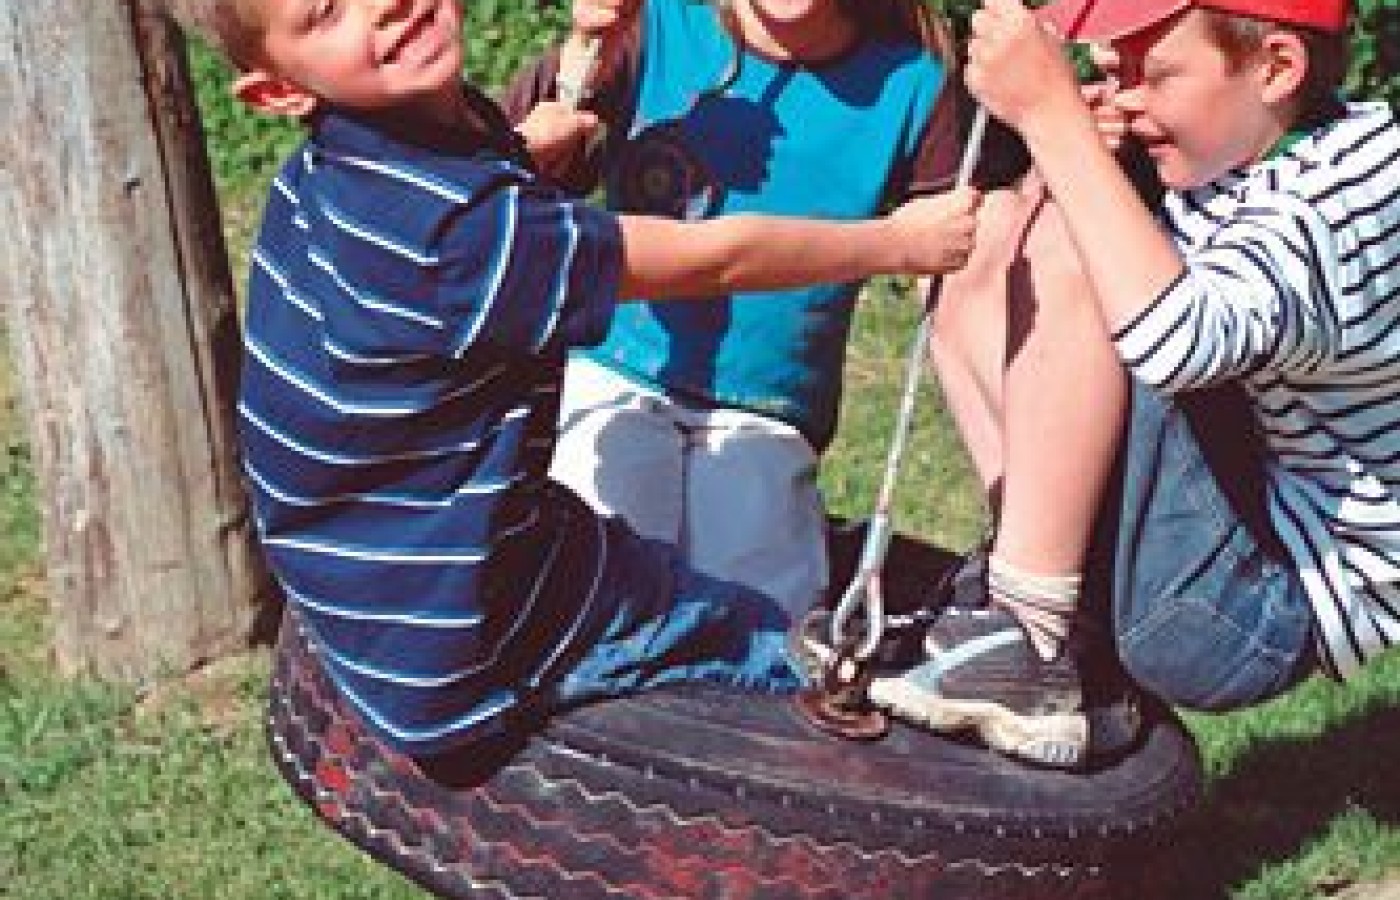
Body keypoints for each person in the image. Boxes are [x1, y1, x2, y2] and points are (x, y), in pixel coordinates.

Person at [210, 0, 980, 760]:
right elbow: (714, 261)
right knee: (761, 646)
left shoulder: (340, 173)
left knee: (712, 544)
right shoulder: (459, 228)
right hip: (461, 632)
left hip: (370, 580)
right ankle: (721, 837)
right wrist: (894, 244)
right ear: (279, 91)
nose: (385, 8)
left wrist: (525, 145)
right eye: (327, 14)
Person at [826, 0, 1400, 771]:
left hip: (1258, 611)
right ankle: (1027, 608)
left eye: (1154, 73)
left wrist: (1062, 132)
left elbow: (1180, 341)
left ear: (1276, 68)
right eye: (1113, 67)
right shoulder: (1249, 149)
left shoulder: (1338, 198)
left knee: (1081, 242)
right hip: (1227, 548)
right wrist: (1060, 161)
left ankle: (1032, 638)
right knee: (1000, 226)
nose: (1125, 95)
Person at [496, 0, 966, 617]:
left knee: (760, 615)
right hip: (617, 372)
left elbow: (965, 256)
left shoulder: (914, 84)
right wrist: (581, 52)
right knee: (599, 583)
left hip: (765, 410)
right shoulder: (657, 22)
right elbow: (513, 170)